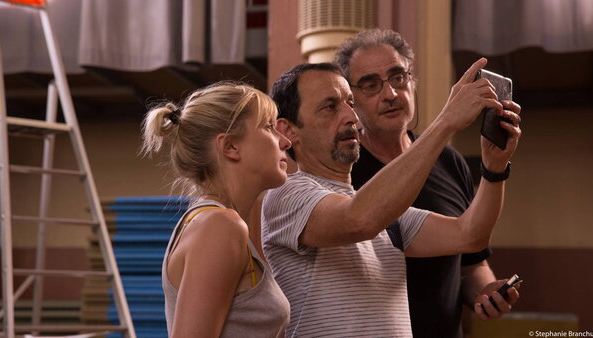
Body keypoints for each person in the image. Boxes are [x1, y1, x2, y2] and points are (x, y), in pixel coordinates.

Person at [262, 61, 521, 337]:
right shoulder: (285, 195)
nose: (352, 117)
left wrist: (494, 168)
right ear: (288, 130)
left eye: (350, 103)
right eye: (330, 107)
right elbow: (358, 220)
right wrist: (446, 122)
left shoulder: (382, 212)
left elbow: (469, 235)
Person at [334, 28, 520, 337]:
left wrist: (485, 292)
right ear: (351, 102)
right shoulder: (343, 171)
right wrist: (447, 121)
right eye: (370, 85)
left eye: (398, 78)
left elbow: (472, 262)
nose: (391, 94)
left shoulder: (450, 162)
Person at [141, 82, 291, 337]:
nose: (285, 141)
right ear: (230, 146)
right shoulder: (219, 226)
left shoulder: (221, 223)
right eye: (268, 127)